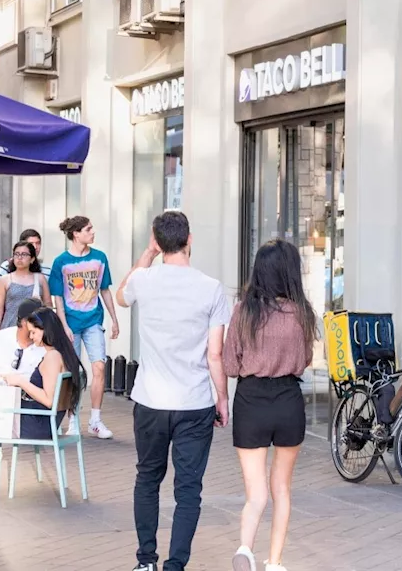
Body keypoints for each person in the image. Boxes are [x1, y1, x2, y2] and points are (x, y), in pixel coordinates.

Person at [116, 211, 230, 571]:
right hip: (195, 402)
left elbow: (120, 297)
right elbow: (215, 354)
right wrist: (222, 398)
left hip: (150, 400)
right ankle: (175, 566)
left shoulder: (145, 280)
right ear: (190, 239)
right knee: (188, 490)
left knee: (147, 479)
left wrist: (147, 255)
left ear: (157, 240)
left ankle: (145, 562)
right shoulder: (211, 288)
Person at [222, 239, 316, 571]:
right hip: (289, 401)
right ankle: (274, 562)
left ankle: (245, 549)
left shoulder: (243, 311)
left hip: (251, 401)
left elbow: (230, 366)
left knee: (256, 493)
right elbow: (304, 361)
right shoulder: (302, 314)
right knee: (282, 489)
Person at [0, 307, 85, 507]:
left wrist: (21, 382)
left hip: (39, 423)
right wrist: (17, 383)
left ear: (45, 330)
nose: (31, 337)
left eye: (34, 332)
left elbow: (49, 399)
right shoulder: (62, 355)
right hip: (43, 421)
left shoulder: (52, 357)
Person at [50, 215, 119, 439]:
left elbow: (105, 290)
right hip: (70, 322)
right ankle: (73, 419)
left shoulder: (100, 258)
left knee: (99, 367)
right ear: (76, 234)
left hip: (93, 321)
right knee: (73, 373)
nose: (92, 232)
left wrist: (114, 319)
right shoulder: (61, 262)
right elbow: (57, 297)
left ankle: (96, 420)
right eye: (88, 229)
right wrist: (63, 325)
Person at [0, 241, 51, 334]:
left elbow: (48, 305)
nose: (19, 257)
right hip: (9, 329)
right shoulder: (5, 280)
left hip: (34, 331)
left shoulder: (40, 279)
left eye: (24, 254)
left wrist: (48, 330)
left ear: (32, 259)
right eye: (16, 254)